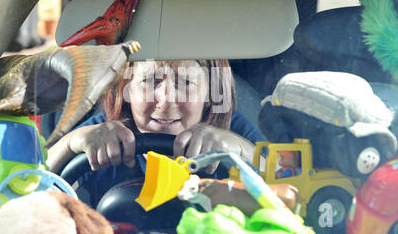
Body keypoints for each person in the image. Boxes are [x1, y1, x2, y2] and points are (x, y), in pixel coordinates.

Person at [46, 59, 265, 205]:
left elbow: (295, 194)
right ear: (126, 89)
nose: (166, 100)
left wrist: (241, 151)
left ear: (209, 94)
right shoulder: (101, 134)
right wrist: (68, 143)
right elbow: (22, 189)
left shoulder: (230, 132)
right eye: (150, 80)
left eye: (186, 82)